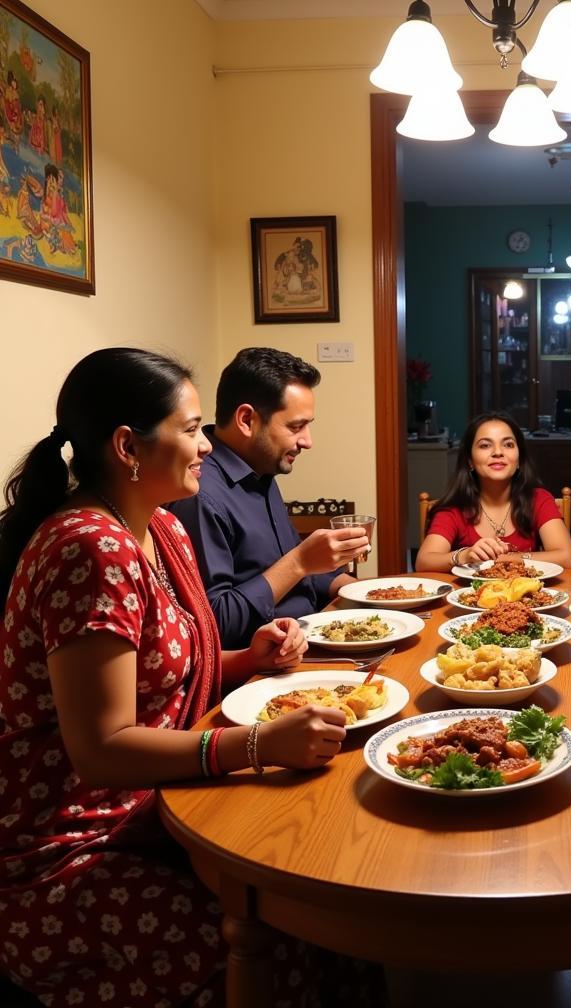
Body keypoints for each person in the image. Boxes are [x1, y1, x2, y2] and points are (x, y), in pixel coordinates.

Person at [0, 348, 383, 1006]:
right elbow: (102, 747)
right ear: (128, 447)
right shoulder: (91, 547)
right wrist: (256, 745)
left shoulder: (165, 531)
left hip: (168, 805)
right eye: (191, 428)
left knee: (336, 912)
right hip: (78, 844)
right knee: (283, 939)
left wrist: (251, 658)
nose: (208, 444)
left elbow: (169, 671)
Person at [169, 347, 368, 648]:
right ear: (247, 420)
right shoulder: (199, 492)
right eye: (295, 426)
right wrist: (300, 561)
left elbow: (293, 571)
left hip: (313, 633)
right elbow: (216, 624)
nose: (307, 441)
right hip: (261, 668)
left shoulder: (260, 469)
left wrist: (358, 590)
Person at [415, 411, 571, 572]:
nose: (498, 452)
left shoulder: (538, 499)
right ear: (470, 461)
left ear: (519, 458)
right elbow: (424, 561)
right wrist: (464, 555)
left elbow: (566, 557)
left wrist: (506, 558)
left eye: (508, 444)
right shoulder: (454, 508)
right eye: (485, 445)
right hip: (469, 595)